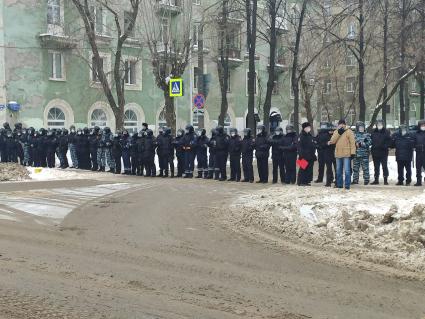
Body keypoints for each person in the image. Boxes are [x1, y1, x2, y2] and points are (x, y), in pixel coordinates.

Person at [329, 119, 356, 190]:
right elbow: (332, 141)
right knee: (338, 170)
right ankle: (339, 184)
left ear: (345, 124)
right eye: (340, 124)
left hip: (347, 154)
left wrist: (353, 153)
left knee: (347, 170)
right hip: (338, 154)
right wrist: (338, 133)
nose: (341, 125)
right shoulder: (336, 131)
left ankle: (347, 185)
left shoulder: (349, 131)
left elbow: (352, 143)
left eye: (342, 124)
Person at [371, 119, 392, 185]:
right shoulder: (374, 132)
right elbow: (371, 140)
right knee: (376, 167)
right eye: (378, 124)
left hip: (383, 152)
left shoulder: (386, 132)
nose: (379, 125)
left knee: (384, 166)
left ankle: (385, 179)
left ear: (383, 124)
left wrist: (385, 146)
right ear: (376, 125)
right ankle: (376, 179)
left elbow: (389, 141)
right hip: (375, 152)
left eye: (380, 124)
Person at [352, 121, 371, 185]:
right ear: (357, 128)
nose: (361, 129)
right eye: (360, 127)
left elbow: (369, 142)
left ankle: (366, 180)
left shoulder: (367, 135)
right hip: (356, 154)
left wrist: (361, 144)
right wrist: (355, 144)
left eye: (362, 127)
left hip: (364, 154)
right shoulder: (354, 135)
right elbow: (352, 143)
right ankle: (355, 180)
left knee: (365, 168)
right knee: (355, 168)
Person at [414, 120, 425, 186]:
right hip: (418, 153)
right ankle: (418, 181)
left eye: (424, 125)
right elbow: (414, 142)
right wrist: (416, 146)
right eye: (422, 125)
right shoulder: (416, 134)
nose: (423, 127)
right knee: (418, 168)